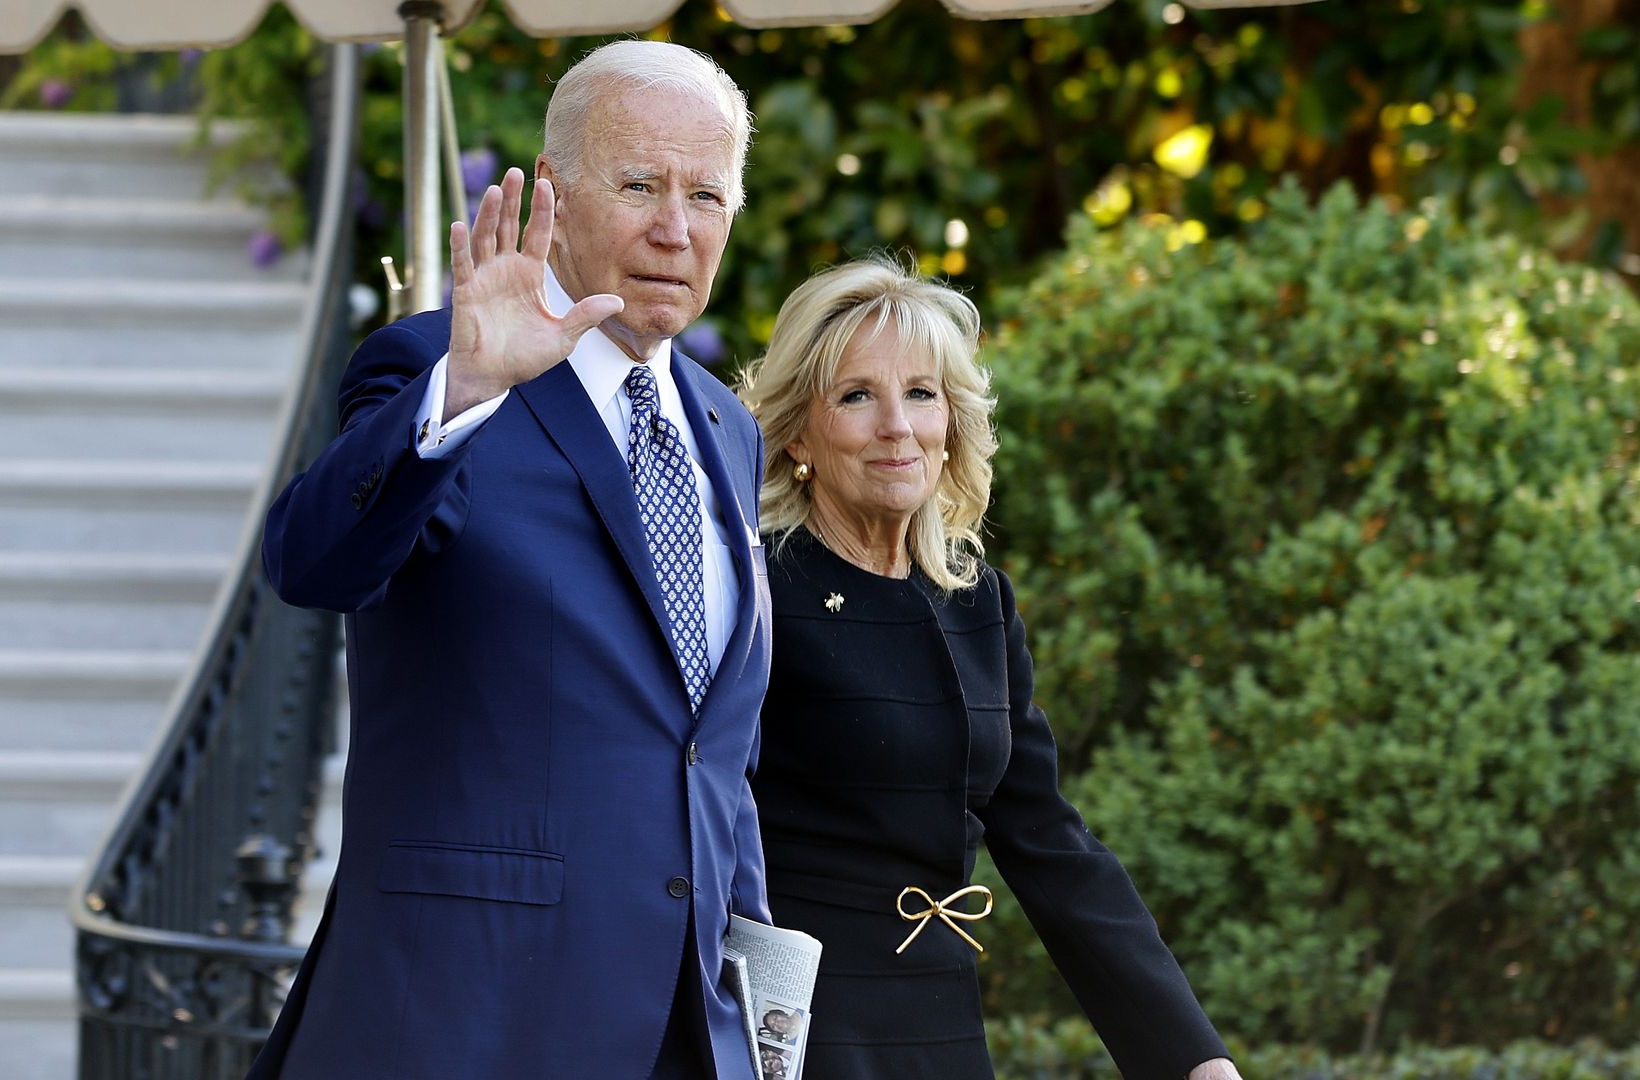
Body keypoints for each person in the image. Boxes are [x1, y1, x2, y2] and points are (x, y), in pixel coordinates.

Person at [248, 40, 772, 1080]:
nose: (676, 228)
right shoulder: (443, 371)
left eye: (706, 195)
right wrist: (465, 387)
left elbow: (709, 749)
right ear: (558, 195)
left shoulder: (726, 425)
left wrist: (755, 990)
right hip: (467, 1019)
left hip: (684, 1030)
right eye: (639, 185)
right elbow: (312, 565)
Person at [739, 258, 1243, 1080]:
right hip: (793, 1028)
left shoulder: (975, 603)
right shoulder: (754, 589)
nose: (898, 425)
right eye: (858, 395)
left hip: (941, 1025)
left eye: (923, 394)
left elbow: (1049, 840)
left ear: (952, 423)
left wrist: (1192, 1059)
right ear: (800, 429)